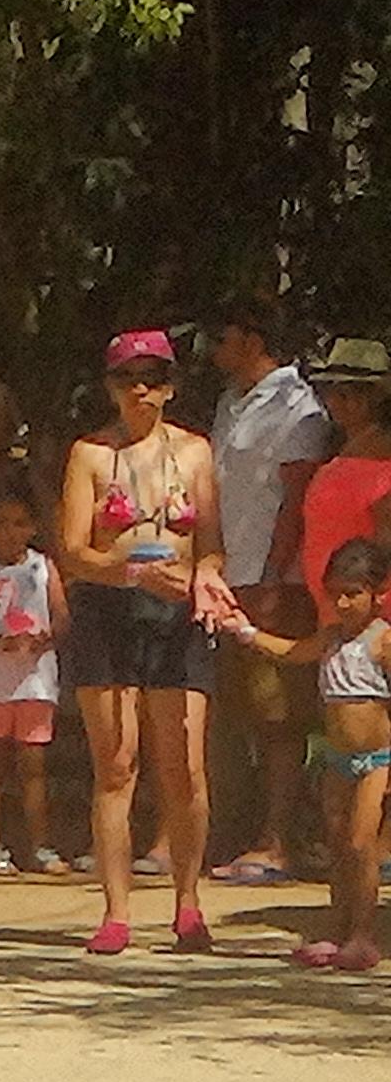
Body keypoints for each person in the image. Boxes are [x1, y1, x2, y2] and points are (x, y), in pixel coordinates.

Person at [56, 328, 230, 955]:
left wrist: (205, 577)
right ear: (109, 387)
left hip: (178, 608)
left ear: (170, 385)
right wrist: (130, 571)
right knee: (116, 762)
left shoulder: (196, 453)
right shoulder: (90, 455)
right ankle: (116, 910)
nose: (141, 389)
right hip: (110, 604)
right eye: (129, 378)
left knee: (184, 764)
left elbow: (210, 542)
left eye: (153, 378)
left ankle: (187, 902)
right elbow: (73, 551)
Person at [221, 537, 391, 971]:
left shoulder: (382, 641)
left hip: (376, 758)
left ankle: (363, 933)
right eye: (335, 592)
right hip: (336, 755)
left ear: (377, 595)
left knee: (361, 843)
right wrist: (248, 633)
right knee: (336, 842)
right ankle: (337, 926)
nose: (343, 602)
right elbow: (294, 652)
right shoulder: (330, 637)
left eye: (353, 593)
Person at [205, 309, 330, 883]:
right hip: (224, 575)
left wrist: (278, 577)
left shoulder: (298, 408)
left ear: (252, 339)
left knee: (278, 713)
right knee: (228, 709)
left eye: (224, 337)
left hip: (268, 578)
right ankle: (222, 832)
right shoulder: (230, 402)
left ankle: (279, 838)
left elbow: (296, 498)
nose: (214, 349)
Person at [0, 482, 65, 875]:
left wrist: (43, 638)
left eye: (19, 523)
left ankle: (40, 845)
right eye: (1, 522)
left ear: (33, 527)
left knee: (33, 763)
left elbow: (61, 617)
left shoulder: (43, 567)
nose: (10, 531)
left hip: (35, 679)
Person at [296, 340, 391, 611]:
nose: (335, 402)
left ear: (374, 397)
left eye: (348, 393)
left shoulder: (384, 457)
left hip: (366, 613)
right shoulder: (340, 445)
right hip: (333, 607)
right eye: (332, 392)